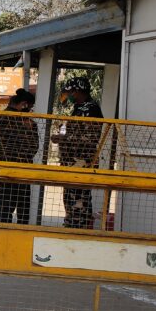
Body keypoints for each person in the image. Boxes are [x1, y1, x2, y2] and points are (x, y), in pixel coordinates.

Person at [52, 77, 103, 229]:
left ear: (78, 91)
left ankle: (79, 226)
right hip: (71, 161)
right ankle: (71, 222)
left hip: (81, 161)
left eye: (69, 92)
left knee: (79, 196)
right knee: (69, 195)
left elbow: (90, 137)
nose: (67, 95)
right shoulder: (78, 107)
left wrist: (64, 137)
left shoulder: (91, 108)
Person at [0, 89, 38, 224]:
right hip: (19, 169)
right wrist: (27, 129)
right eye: (30, 107)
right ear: (24, 104)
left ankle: (1, 231)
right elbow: (33, 146)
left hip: (4, 168)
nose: (30, 110)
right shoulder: (23, 122)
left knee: (5, 205)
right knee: (20, 207)